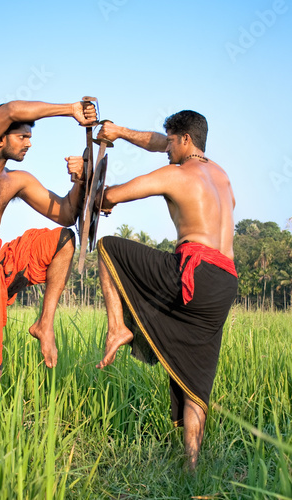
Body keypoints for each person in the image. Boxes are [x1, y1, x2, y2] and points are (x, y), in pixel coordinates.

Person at [95, 111, 238, 470]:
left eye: (170, 141)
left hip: (195, 272)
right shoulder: (221, 176)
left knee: (109, 248)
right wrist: (121, 132)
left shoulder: (175, 175)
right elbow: (160, 144)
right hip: (224, 283)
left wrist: (85, 179)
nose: (165, 148)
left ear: (185, 139)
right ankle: (191, 468)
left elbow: (109, 198)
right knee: (196, 378)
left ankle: (119, 327)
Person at [0, 99, 97, 413]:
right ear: (0, 136)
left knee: (63, 241)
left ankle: (44, 324)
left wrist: (80, 179)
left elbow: (67, 214)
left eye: (30, 136)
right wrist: (70, 109)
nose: (29, 143)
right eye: (22, 137)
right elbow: (10, 111)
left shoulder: (16, 180)